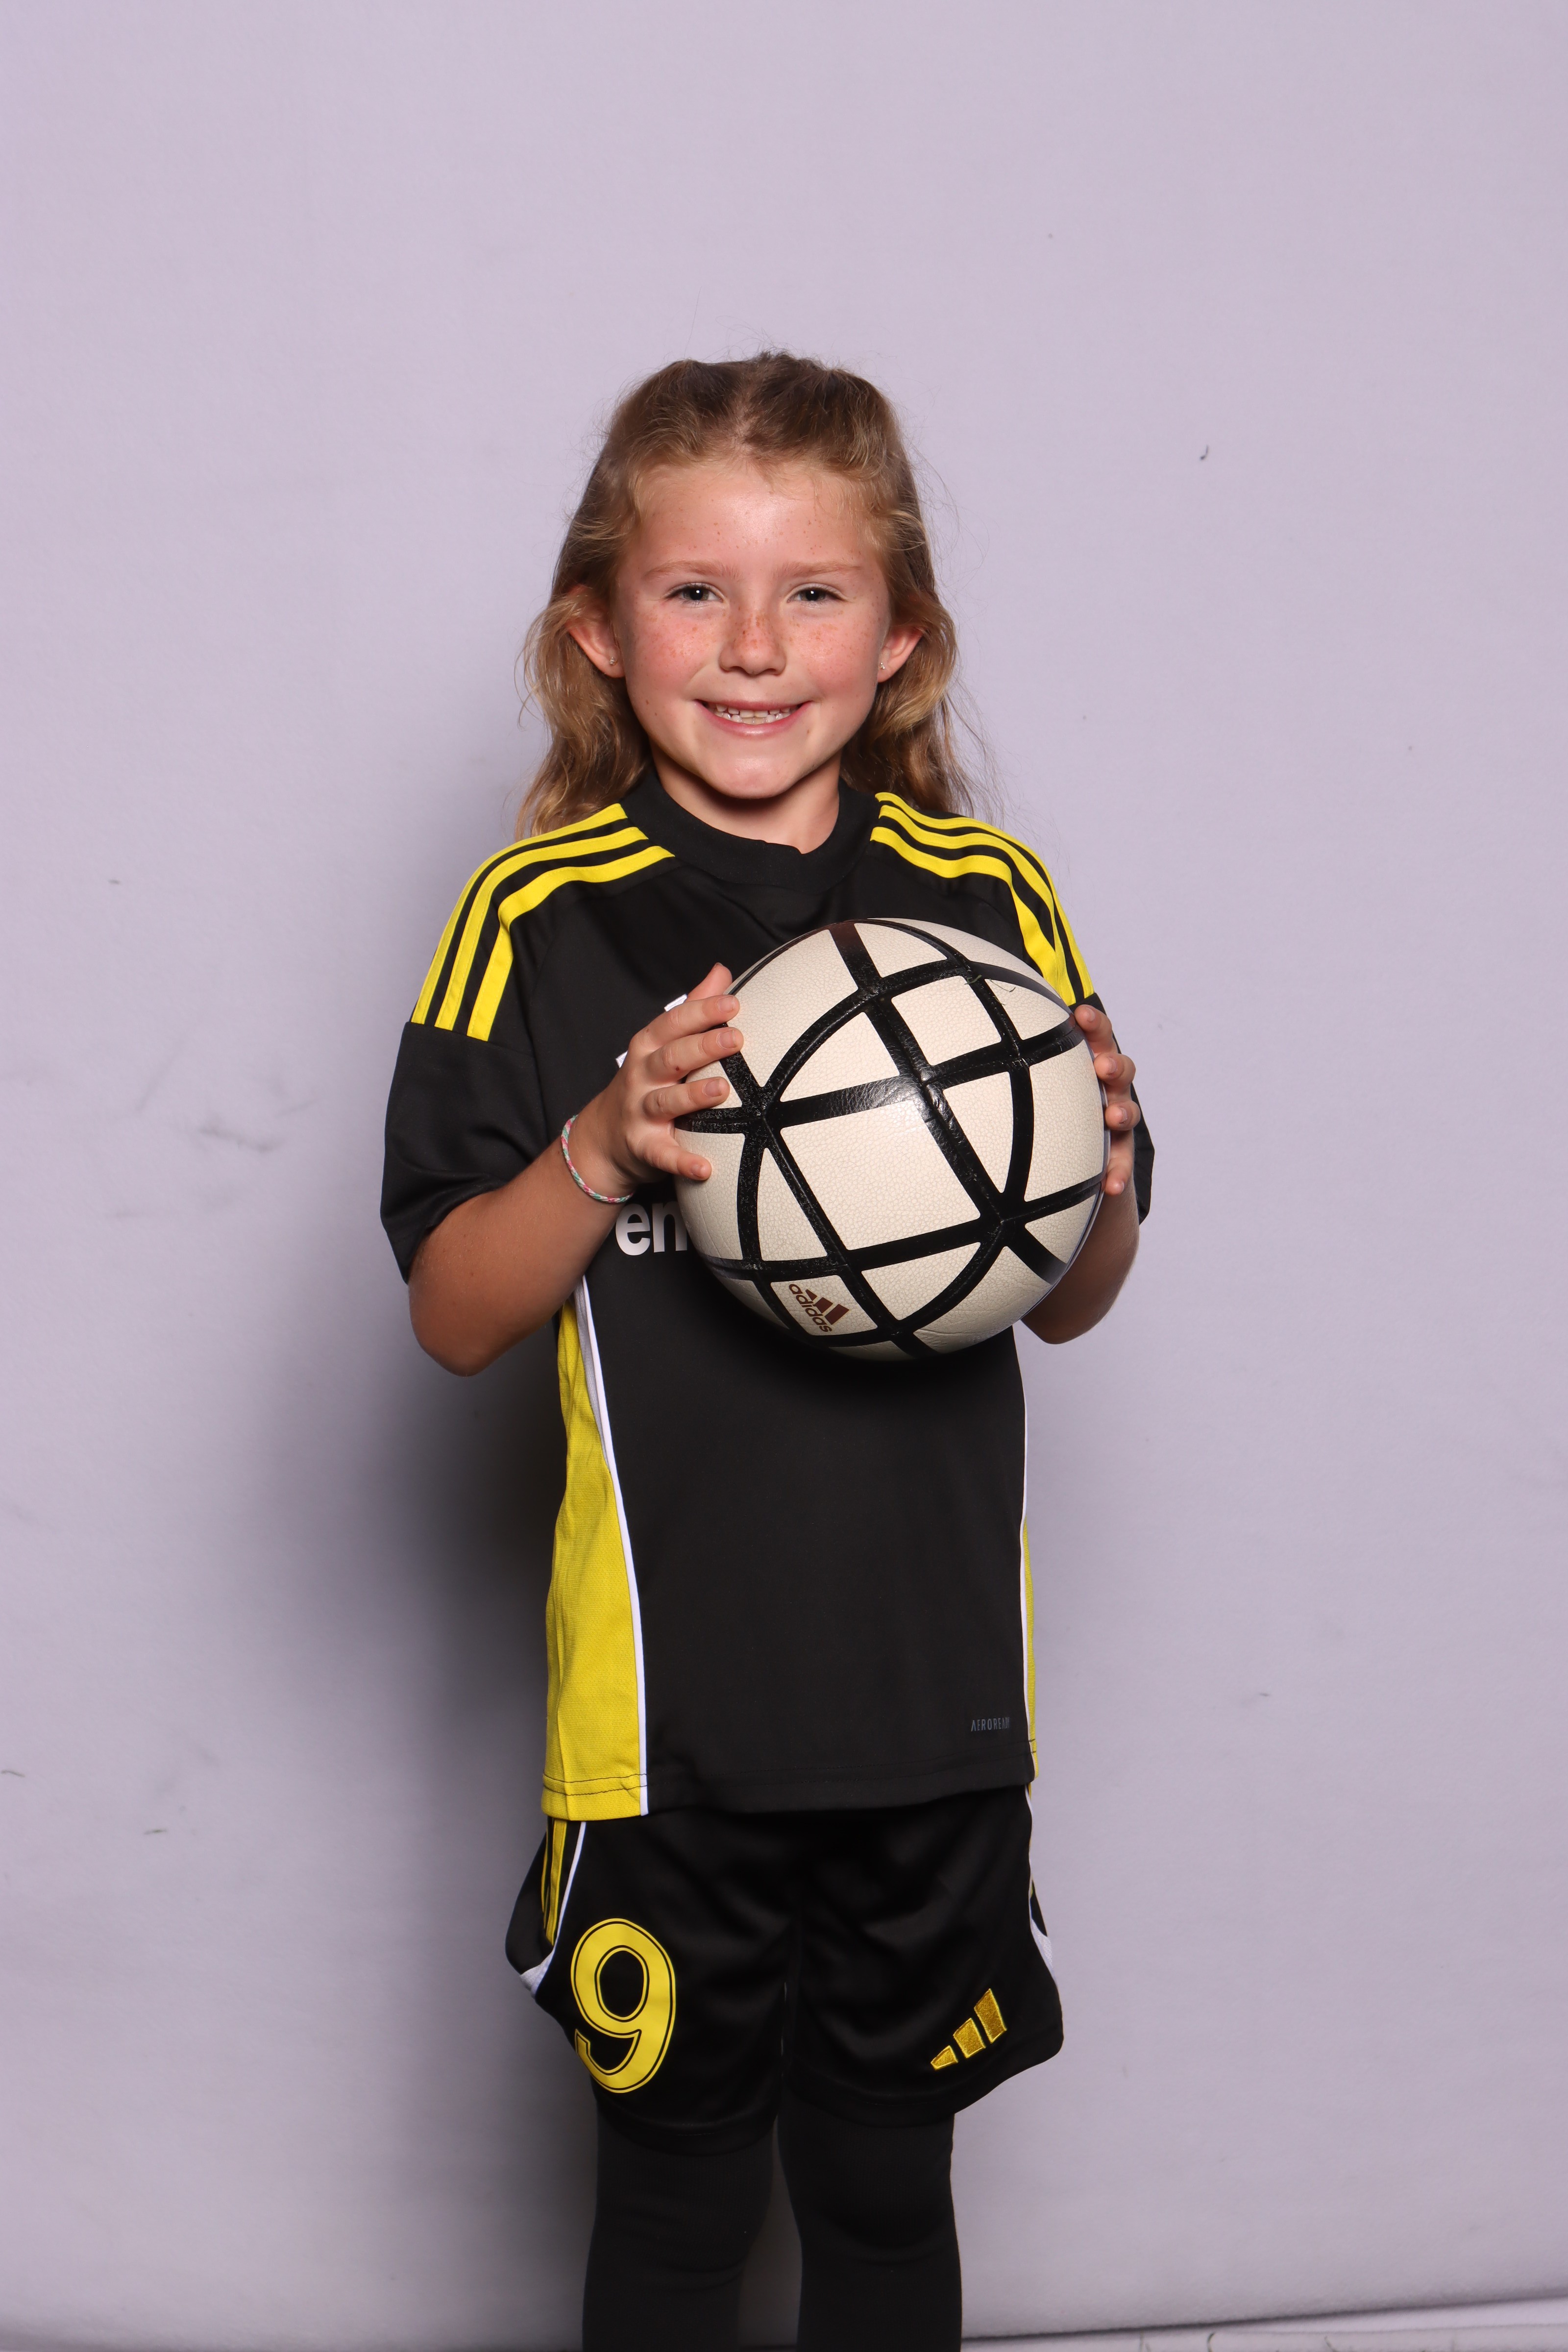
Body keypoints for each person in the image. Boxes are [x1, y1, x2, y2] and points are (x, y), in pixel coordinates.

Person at [381, 354, 1151, 2352]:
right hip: (667, 1733)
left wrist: (1090, 1172)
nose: (752, 645)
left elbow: (1074, 1293)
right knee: (679, 2203)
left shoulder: (985, 902)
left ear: (900, 636)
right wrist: (597, 1141)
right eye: (691, 590)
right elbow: (455, 1313)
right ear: (596, 627)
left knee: (887, 2195)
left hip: (932, 1702)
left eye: (813, 591)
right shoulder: (537, 918)